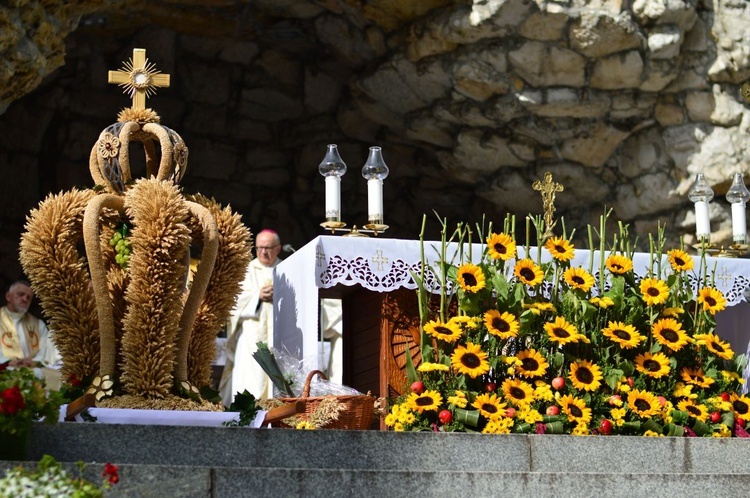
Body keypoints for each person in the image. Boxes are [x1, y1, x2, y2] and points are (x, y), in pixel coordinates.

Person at [219, 229, 282, 405]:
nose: (263, 252)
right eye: (259, 248)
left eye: (268, 248)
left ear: (278, 249)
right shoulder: (245, 271)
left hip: (278, 336)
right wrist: (258, 296)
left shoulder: (286, 268)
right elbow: (234, 303)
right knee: (251, 381)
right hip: (251, 337)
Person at [0, 280, 62, 389]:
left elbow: (45, 351)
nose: (24, 299)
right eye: (20, 294)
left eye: (28, 297)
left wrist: (34, 362)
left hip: (32, 369)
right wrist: (7, 362)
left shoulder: (38, 324)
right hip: (5, 368)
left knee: (57, 377)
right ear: (8, 296)